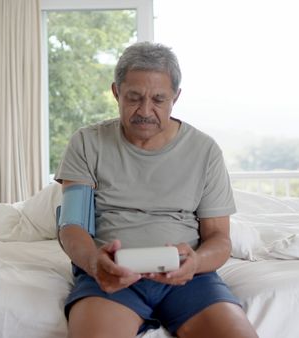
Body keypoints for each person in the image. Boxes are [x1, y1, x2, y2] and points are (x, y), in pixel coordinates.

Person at [54, 41, 258, 338]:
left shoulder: (204, 151)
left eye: (159, 100)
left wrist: (196, 263)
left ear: (176, 97)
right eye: (134, 97)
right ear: (116, 92)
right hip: (111, 276)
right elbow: (71, 226)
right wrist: (93, 264)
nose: (145, 111)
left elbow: (219, 238)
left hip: (190, 280)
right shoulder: (87, 142)